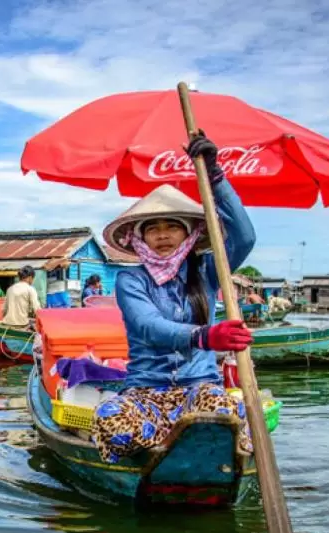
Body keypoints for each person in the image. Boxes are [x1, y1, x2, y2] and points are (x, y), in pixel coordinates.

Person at [91, 133, 256, 465]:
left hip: (199, 389)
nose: (163, 235)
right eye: (153, 228)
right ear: (140, 237)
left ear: (189, 233)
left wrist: (215, 176)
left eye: (172, 226)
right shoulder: (131, 278)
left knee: (231, 412)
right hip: (145, 392)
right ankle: (173, 444)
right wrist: (204, 335)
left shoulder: (208, 270)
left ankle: (184, 441)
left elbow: (245, 237)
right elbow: (149, 326)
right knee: (108, 417)